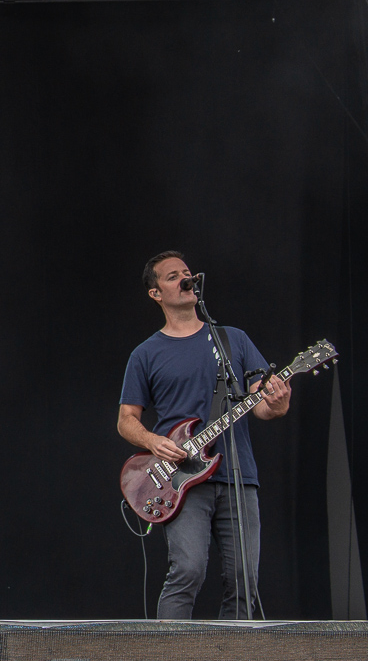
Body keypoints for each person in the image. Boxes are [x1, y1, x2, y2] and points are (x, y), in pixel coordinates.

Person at [118, 250, 290, 619]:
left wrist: (277, 401)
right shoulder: (146, 354)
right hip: (179, 479)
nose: (185, 278)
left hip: (237, 475)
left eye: (187, 272)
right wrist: (152, 441)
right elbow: (126, 419)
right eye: (172, 275)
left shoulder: (233, 341)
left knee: (244, 578)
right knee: (188, 570)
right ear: (156, 294)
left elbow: (262, 404)